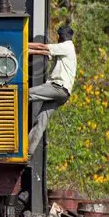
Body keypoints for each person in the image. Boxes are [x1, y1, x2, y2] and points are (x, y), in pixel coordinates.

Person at [27, 24, 77, 157]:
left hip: (57, 88)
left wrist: (21, 43)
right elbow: (45, 52)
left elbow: (43, 47)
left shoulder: (66, 46)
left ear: (60, 37)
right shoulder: (68, 48)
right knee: (41, 120)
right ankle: (28, 152)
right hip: (64, 94)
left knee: (24, 94)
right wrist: (29, 51)